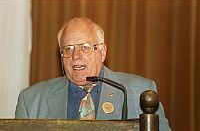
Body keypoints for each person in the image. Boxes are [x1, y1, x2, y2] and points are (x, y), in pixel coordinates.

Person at [15, 17, 171, 130]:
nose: (76, 56)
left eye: (85, 47)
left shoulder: (139, 92)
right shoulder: (31, 100)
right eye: (68, 49)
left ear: (102, 52)